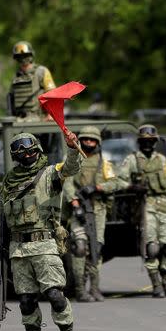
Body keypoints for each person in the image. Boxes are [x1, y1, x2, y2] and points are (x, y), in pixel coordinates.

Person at [0, 129, 82, 331]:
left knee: (55, 295)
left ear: (37, 148)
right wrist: (0, 247)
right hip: (18, 250)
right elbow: (1, 217)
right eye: (20, 150)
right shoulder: (9, 181)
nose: (26, 153)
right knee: (26, 301)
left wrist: (73, 148)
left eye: (29, 148)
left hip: (44, 245)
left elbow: (71, 168)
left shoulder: (49, 173)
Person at [63, 125, 127, 302]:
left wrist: (98, 187)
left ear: (97, 142)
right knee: (80, 247)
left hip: (98, 210)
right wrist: (74, 203)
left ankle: (95, 287)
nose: (89, 143)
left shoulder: (104, 163)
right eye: (85, 140)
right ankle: (79, 289)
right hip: (79, 209)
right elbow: (66, 182)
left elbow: (116, 183)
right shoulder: (74, 160)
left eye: (92, 140)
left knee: (95, 248)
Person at [119, 124, 166, 298]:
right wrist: (133, 187)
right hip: (145, 205)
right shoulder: (132, 160)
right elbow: (119, 180)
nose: (148, 144)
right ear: (139, 142)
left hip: (163, 204)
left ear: (155, 142)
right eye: (144, 141)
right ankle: (156, 285)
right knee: (152, 248)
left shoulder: (161, 160)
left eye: (151, 141)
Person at [7, 41, 56, 120]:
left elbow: (52, 94)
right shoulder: (16, 77)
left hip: (38, 118)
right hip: (19, 118)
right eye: (20, 56)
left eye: (25, 55)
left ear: (30, 56)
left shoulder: (41, 72)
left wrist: (51, 115)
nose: (23, 59)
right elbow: (11, 98)